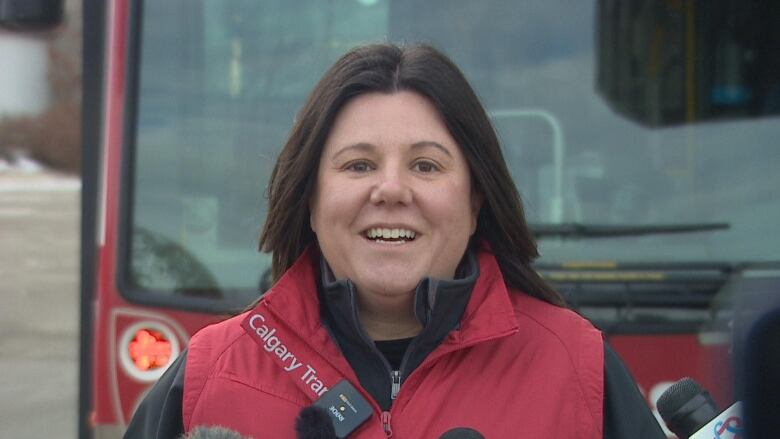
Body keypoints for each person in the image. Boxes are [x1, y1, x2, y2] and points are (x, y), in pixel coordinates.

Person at [125, 43, 666, 438]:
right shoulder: (208, 379)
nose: (390, 189)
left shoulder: (579, 370)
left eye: (426, 165)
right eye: (358, 164)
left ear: (476, 201)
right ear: (310, 201)